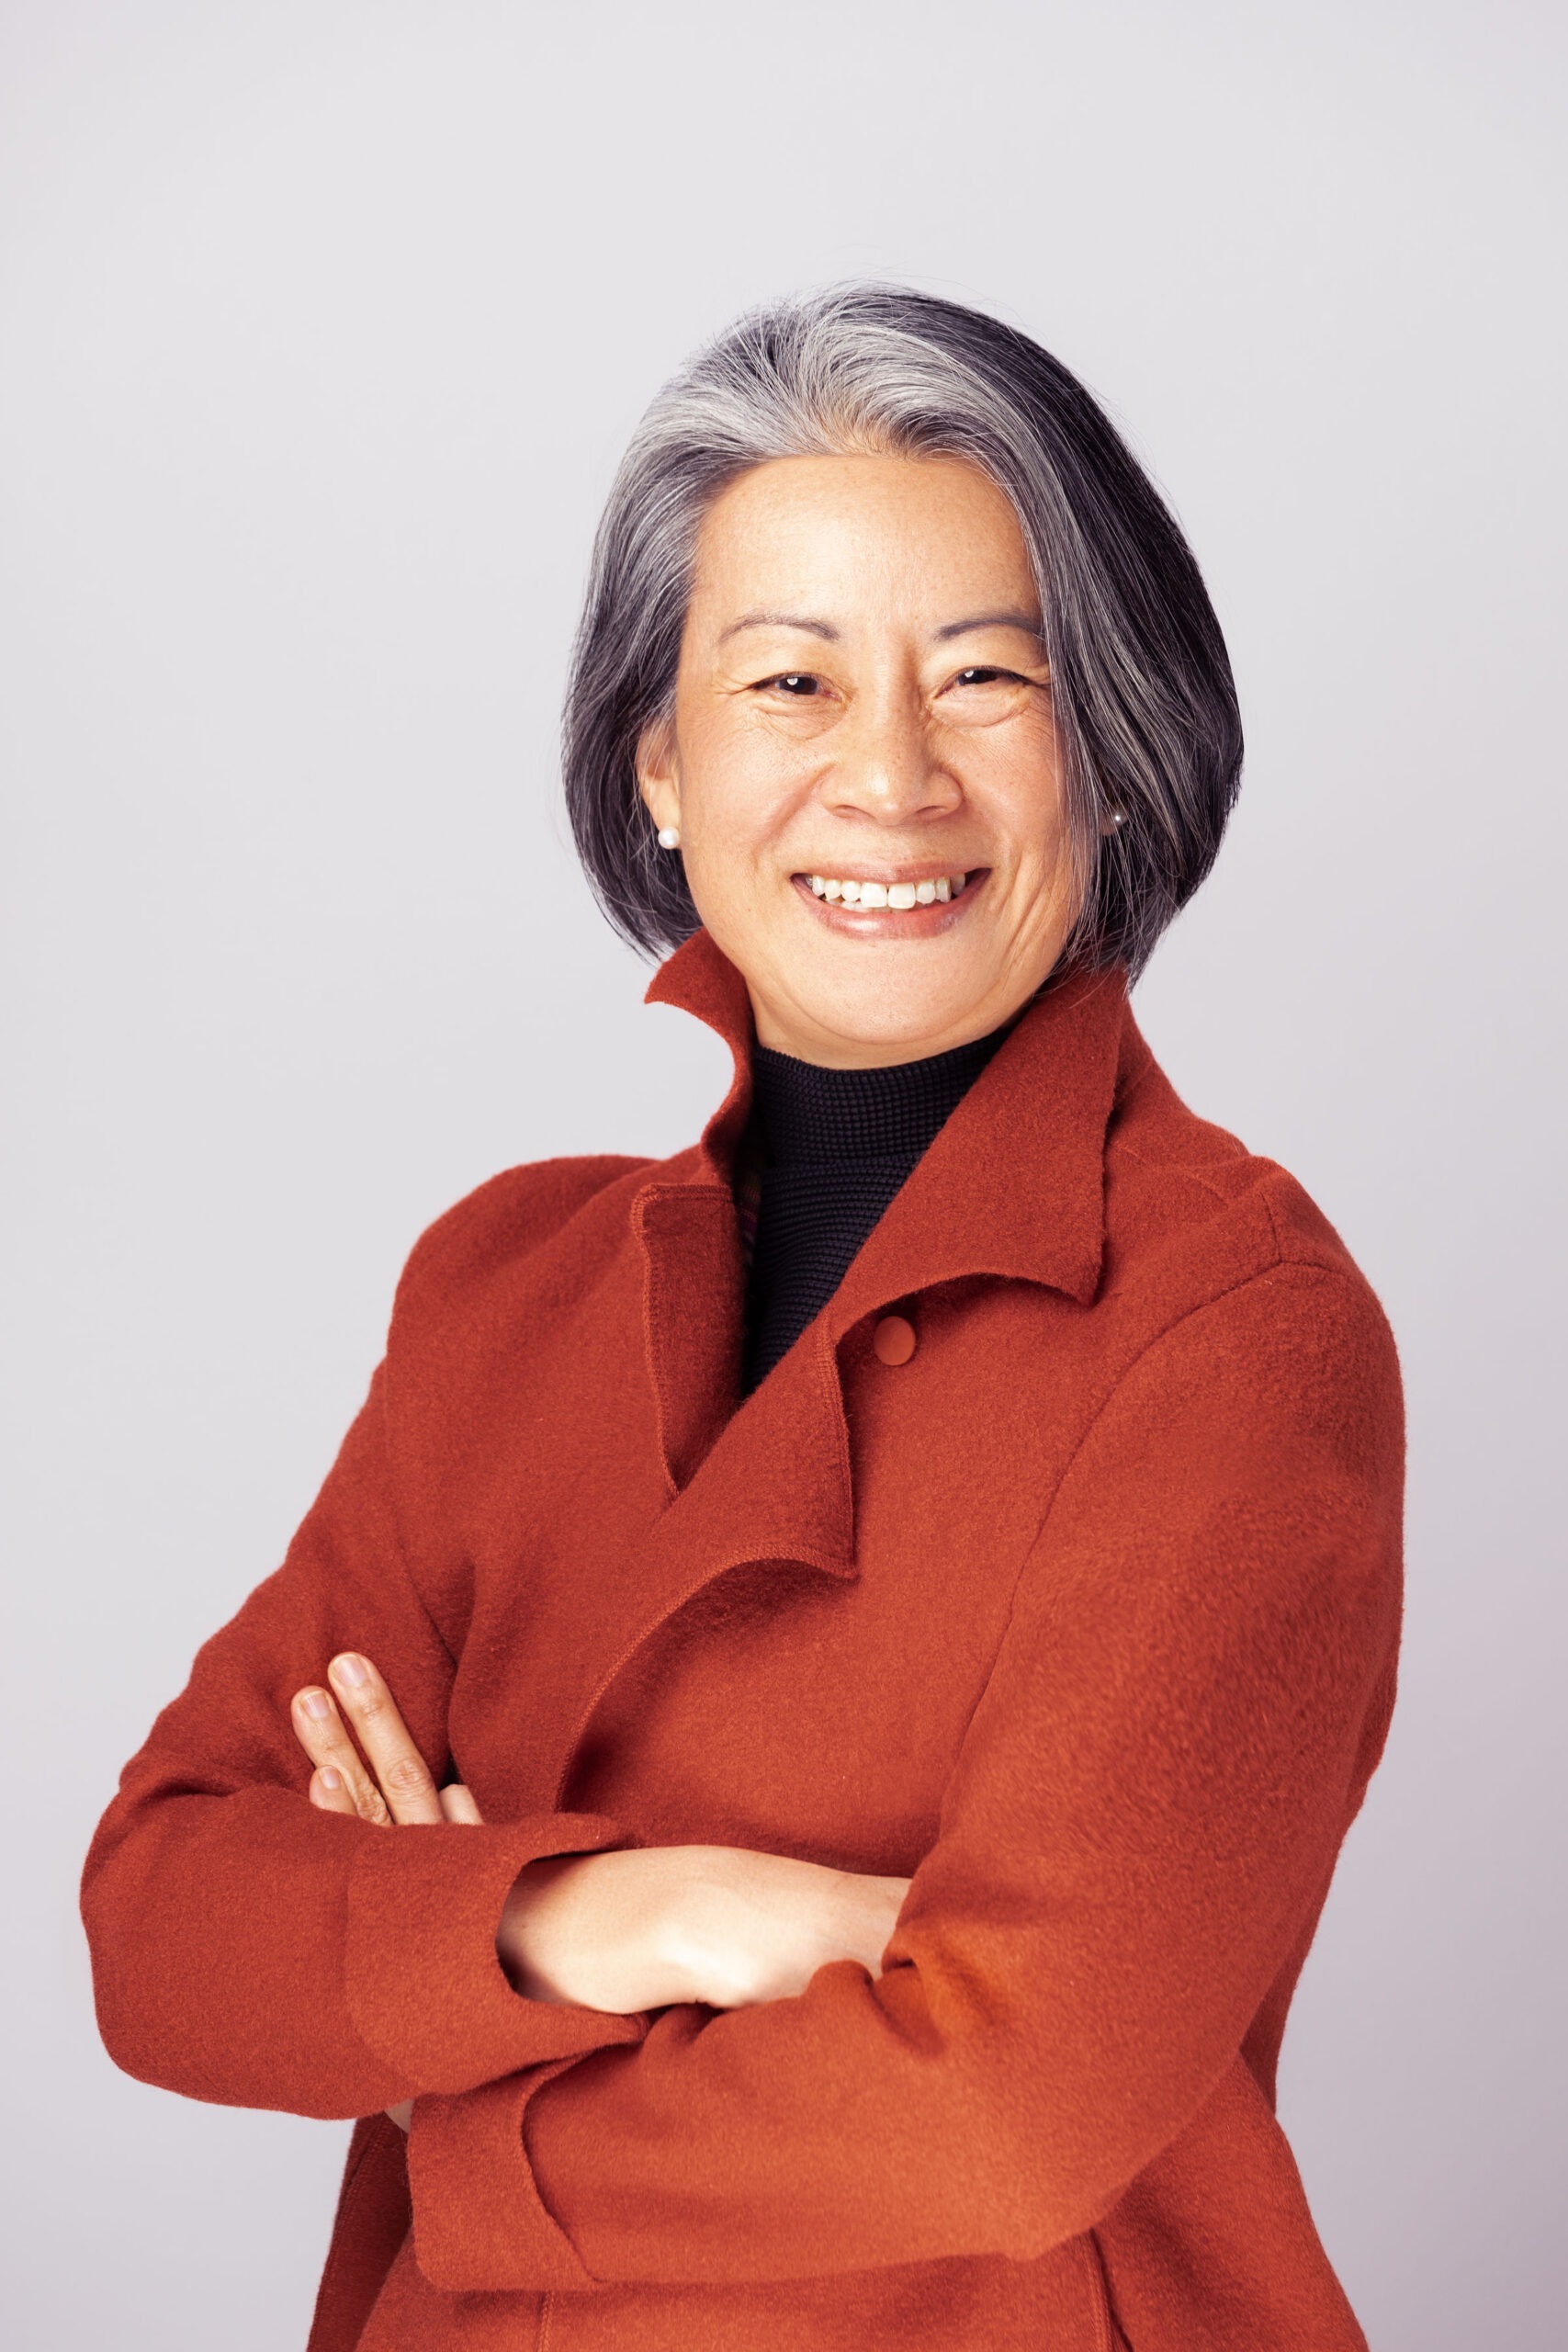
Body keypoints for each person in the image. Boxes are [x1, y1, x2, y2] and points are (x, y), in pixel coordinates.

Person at [82, 283, 1404, 2352]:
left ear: (1115, 756)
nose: (885, 773)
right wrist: (630, 1907)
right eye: (786, 677)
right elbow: (162, 1922)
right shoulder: (501, 1292)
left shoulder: (1230, 1324)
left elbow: (1008, 2107)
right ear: (663, 768)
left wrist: (459, 2072)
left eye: (983, 678)